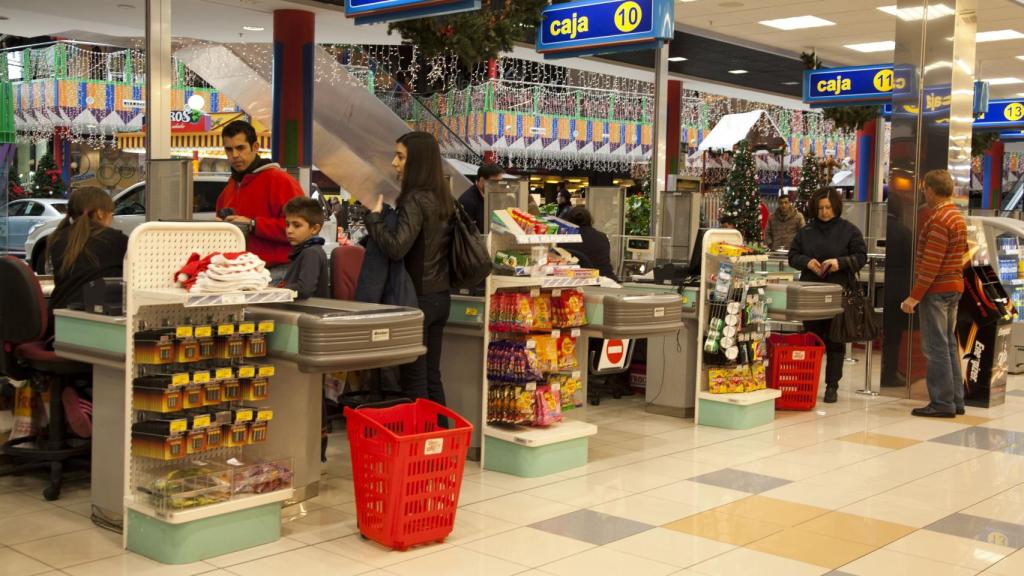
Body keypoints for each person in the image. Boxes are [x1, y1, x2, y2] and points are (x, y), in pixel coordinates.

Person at [365, 131, 453, 405]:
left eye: (401, 156)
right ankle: (443, 440)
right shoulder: (443, 198)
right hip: (440, 297)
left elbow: (396, 247)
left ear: (417, 161)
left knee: (414, 381)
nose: (394, 163)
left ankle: (426, 442)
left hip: (417, 300)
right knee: (431, 376)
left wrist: (375, 220)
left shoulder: (414, 200)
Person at [788, 189, 868, 403]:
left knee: (835, 341)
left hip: (837, 293)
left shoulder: (849, 231)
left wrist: (838, 263)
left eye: (828, 208)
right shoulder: (806, 232)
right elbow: (792, 256)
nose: (824, 212)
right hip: (810, 294)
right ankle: (809, 381)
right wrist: (807, 262)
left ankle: (832, 386)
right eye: (820, 208)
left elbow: (861, 256)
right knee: (812, 339)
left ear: (835, 208)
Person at [902, 170, 968, 418]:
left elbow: (932, 263)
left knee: (936, 347)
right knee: (949, 345)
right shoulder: (956, 216)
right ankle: (955, 400)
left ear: (931, 189)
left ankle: (941, 402)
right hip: (954, 287)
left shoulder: (940, 219)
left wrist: (914, 296)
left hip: (937, 290)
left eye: (924, 189)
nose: (923, 194)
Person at [216, 120, 304, 283]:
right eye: (229, 149)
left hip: (278, 271)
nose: (234, 155)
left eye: (240, 148)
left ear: (255, 147)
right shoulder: (229, 188)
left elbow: (301, 230)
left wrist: (254, 224)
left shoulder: (280, 181)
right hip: (240, 273)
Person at [47, 186, 129, 331]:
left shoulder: (57, 238)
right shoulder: (116, 240)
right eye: (111, 213)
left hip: (56, 323)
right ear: (100, 214)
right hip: (92, 325)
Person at [280, 196, 329, 300]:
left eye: (296, 225)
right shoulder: (305, 251)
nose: (289, 230)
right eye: (287, 224)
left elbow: (304, 289)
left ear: (315, 229)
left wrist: (276, 291)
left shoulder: (311, 253)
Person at [560, 207, 619, 282]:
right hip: (606, 280)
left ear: (568, 222)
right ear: (590, 220)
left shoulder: (564, 239)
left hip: (576, 281)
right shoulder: (602, 237)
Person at [458, 163, 505, 231]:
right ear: (482, 180)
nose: (497, 186)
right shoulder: (467, 201)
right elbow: (467, 233)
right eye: (494, 182)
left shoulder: (495, 197)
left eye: (499, 182)